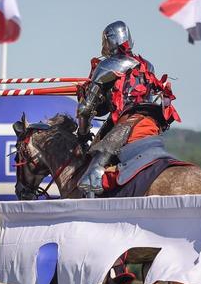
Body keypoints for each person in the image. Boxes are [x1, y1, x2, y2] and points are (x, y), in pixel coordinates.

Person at [76, 20, 180, 196]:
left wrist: (83, 133)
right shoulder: (147, 65)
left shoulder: (107, 66)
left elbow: (85, 109)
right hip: (152, 123)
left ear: (109, 41)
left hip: (127, 124)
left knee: (89, 180)